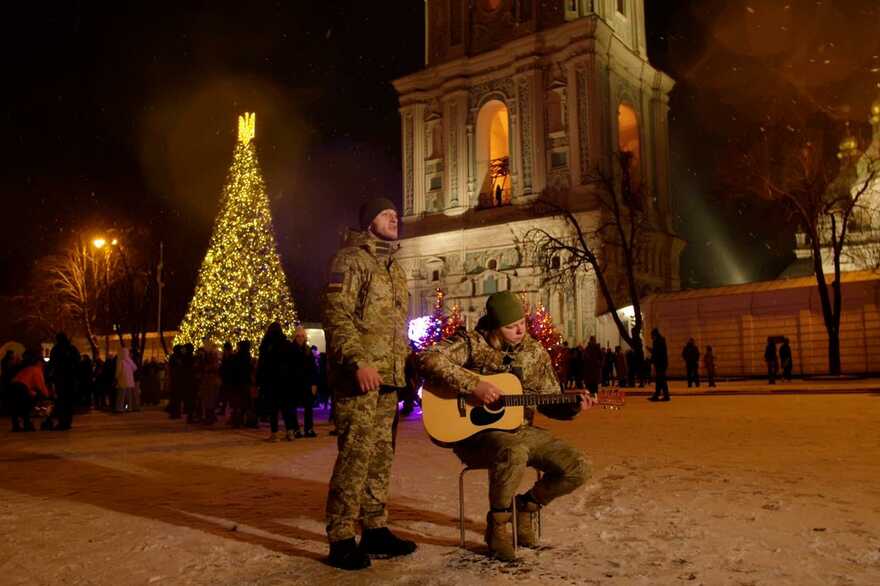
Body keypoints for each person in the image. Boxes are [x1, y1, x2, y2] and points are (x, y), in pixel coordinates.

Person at [418, 291, 593, 561]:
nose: (520, 329)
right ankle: (497, 525)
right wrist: (474, 384)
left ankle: (525, 508)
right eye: (511, 326)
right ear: (496, 327)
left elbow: (547, 398)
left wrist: (572, 405)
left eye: (522, 322)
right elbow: (429, 358)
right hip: (475, 436)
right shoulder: (472, 344)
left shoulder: (534, 352)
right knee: (514, 451)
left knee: (578, 466)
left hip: (521, 430)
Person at [323, 197, 416, 570]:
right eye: (385, 213)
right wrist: (358, 361)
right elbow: (336, 314)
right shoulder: (350, 260)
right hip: (358, 379)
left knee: (381, 457)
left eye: (395, 213)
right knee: (356, 457)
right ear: (369, 221)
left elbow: (396, 327)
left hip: (389, 379)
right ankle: (341, 536)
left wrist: (406, 365)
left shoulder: (394, 267)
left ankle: (375, 528)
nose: (395, 217)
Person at [257, 322, 295, 441]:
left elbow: (262, 364)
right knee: (286, 407)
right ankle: (290, 431)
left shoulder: (267, 345)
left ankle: (274, 433)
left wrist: (260, 380)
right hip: (285, 381)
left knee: (273, 408)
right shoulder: (286, 344)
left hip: (271, 381)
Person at [9, 351, 49, 432]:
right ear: (39, 363)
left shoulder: (27, 368)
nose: (43, 366)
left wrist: (31, 392)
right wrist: (46, 395)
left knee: (16, 406)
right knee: (26, 405)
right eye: (42, 364)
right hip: (21, 387)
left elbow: (23, 381)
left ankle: (16, 426)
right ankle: (27, 424)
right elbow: (40, 385)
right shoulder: (37, 370)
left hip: (13, 386)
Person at [48, 332, 81, 430]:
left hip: (61, 379)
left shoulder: (56, 349)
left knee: (61, 400)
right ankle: (67, 421)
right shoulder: (72, 349)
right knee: (69, 401)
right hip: (70, 379)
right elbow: (77, 363)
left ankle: (62, 421)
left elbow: (52, 364)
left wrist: (51, 376)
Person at [290, 326, 318, 437]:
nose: (300, 338)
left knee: (308, 406)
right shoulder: (291, 349)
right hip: (294, 382)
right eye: (298, 336)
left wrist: (314, 383)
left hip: (306, 383)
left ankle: (309, 428)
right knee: (293, 406)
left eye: (302, 336)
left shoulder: (308, 351)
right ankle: (296, 428)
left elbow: (313, 368)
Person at [114, 347, 139, 412]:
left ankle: (120, 408)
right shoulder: (129, 360)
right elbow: (135, 368)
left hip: (122, 380)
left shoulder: (120, 360)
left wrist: (116, 377)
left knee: (121, 396)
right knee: (129, 396)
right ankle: (129, 408)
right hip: (130, 381)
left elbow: (118, 371)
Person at [648, 328, 670, 401]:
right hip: (662, 363)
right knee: (660, 380)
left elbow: (656, 353)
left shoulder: (657, 342)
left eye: (652, 335)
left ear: (655, 335)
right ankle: (658, 395)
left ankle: (664, 396)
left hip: (660, 363)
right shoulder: (660, 341)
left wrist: (651, 357)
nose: (651, 337)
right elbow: (658, 352)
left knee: (661, 380)